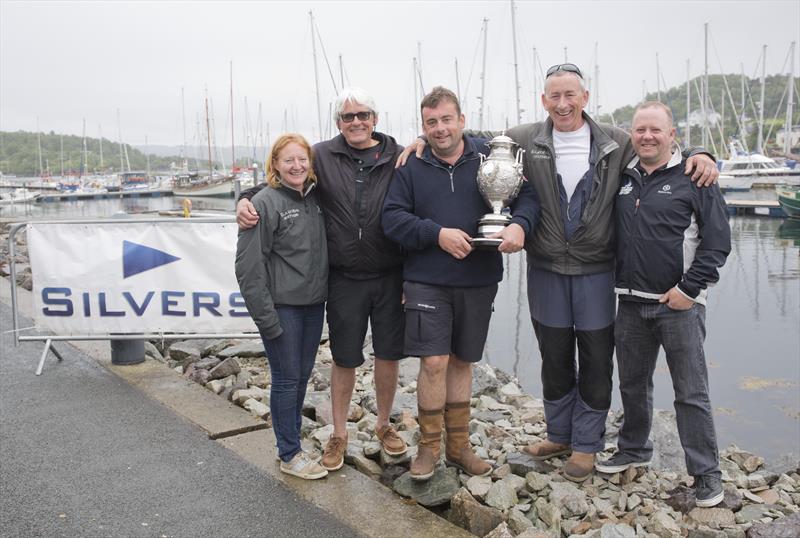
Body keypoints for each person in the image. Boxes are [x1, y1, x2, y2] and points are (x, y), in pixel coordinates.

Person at [398, 63, 719, 482]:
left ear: (585, 98)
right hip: (546, 265)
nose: (563, 104)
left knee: (595, 356)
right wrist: (422, 139)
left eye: (571, 95)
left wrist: (701, 154)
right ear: (543, 101)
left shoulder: (616, 141)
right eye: (554, 96)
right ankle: (559, 433)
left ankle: (586, 445)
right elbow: (467, 141)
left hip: (597, 269)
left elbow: (658, 146)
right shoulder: (524, 139)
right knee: (554, 356)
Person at [236, 88, 407, 473]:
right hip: (342, 281)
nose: (356, 122)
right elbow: (276, 181)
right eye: (348, 117)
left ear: (375, 118)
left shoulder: (399, 155)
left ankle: (383, 424)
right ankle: (336, 435)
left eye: (363, 115)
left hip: (386, 275)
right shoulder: (323, 155)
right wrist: (244, 199)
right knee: (338, 360)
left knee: (387, 355)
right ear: (338, 123)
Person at [382, 86, 539, 480]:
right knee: (434, 362)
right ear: (423, 126)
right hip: (426, 279)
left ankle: (458, 447)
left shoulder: (490, 157)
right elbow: (392, 219)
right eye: (431, 123)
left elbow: (528, 198)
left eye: (446, 119)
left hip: (479, 277)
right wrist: (437, 234)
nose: (439, 129)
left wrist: (520, 225)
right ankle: (428, 449)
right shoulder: (410, 167)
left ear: (462, 120)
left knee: (463, 362)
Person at [595, 101, 730, 508]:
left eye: (656, 130)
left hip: (680, 306)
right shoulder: (625, 175)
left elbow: (718, 243)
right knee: (633, 384)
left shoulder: (695, 177)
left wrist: (688, 290)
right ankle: (634, 447)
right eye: (640, 130)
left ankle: (707, 476)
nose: (647, 137)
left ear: (673, 135)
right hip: (631, 304)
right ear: (632, 135)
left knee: (691, 392)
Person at [235, 134, 329, 480]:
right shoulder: (263, 203)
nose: (296, 166)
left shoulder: (316, 197)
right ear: (274, 164)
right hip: (282, 308)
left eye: (302, 159)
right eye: (288, 160)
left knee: (301, 377)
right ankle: (289, 454)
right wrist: (266, 319)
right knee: (287, 380)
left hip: (312, 306)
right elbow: (247, 268)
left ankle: (291, 444)